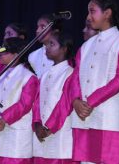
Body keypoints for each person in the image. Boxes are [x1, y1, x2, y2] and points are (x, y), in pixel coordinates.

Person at [48, 0, 119, 164]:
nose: (88, 17)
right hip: (84, 118)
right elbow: (75, 77)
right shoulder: (86, 46)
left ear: (107, 13)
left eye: (92, 11)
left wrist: (89, 102)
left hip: (110, 119)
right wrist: (75, 101)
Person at [0, 37, 39, 164]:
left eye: (5, 50)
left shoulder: (29, 77)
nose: (0, 52)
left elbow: (24, 105)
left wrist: (3, 119)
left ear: (16, 55)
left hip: (17, 135)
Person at [32, 30, 76, 163]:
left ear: (64, 48)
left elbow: (65, 104)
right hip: (41, 133)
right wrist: (37, 124)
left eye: (52, 44)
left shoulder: (70, 73)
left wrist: (49, 127)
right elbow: (36, 102)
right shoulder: (45, 74)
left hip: (60, 134)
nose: (47, 47)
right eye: (47, 44)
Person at [28, 14, 55, 78]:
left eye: (43, 27)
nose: (37, 31)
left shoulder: (61, 54)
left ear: (54, 30)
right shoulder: (32, 56)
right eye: (37, 27)